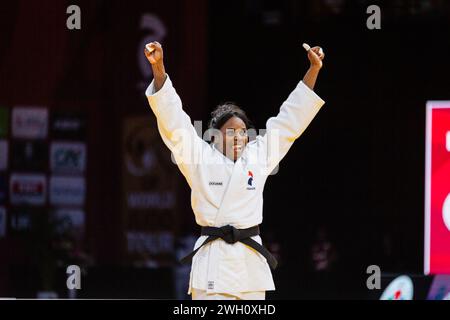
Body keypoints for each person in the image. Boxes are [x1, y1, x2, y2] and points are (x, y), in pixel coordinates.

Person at [144, 41, 325, 300]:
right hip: (212, 268)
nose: (239, 137)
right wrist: (159, 69)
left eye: (243, 132)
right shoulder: (199, 158)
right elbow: (174, 122)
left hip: (250, 266)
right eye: (231, 132)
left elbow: (289, 122)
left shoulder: (258, 156)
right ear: (215, 137)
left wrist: (313, 70)